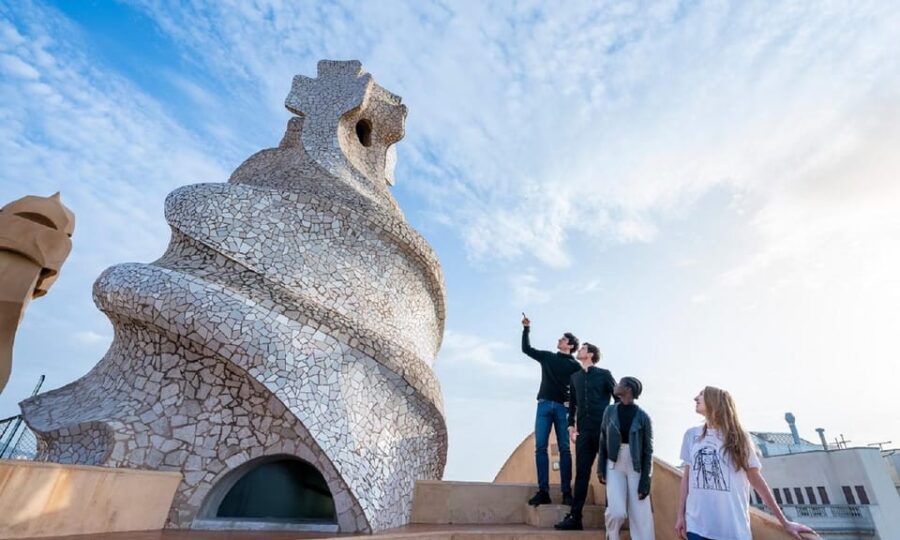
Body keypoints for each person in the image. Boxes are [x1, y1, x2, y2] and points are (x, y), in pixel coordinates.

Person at [676, 386, 817, 540]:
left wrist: (784, 522)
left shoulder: (739, 438)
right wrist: (680, 516)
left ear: (714, 401)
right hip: (696, 528)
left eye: (702, 394)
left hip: (733, 531)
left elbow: (756, 481)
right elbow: (687, 478)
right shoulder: (691, 435)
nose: (695, 398)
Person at [554, 342, 616, 530]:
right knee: (581, 474)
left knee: (609, 474)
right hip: (583, 432)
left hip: (604, 432)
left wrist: (614, 423)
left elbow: (619, 398)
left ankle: (611, 518)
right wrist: (571, 426)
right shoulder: (575, 378)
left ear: (590, 354)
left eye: (582, 349)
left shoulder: (605, 375)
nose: (579, 351)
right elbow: (572, 404)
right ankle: (575, 517)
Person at [521, 313, 581, 506]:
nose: (559, 340)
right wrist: (526, 329)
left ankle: (566, 493)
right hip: (544, 405)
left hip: (563, 409)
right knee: (540, 448)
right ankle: (543, 491)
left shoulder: (575, 366)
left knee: (565, 448)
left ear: (570, 345)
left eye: (563, 339)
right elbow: (526, 349)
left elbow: (579, 392)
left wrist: (574, 416)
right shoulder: (547, 357)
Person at [597, 376, 654, 540]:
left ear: (628, 389)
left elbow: (648, 450)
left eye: (620, 384)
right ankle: (612, 536)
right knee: (616, 511)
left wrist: (646, 479)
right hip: (614, 464)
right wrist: (601, 467)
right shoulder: (609, 411)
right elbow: (602, 440)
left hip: (636, 465)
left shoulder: (644, 417)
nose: (616, 386)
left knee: (641, 515)